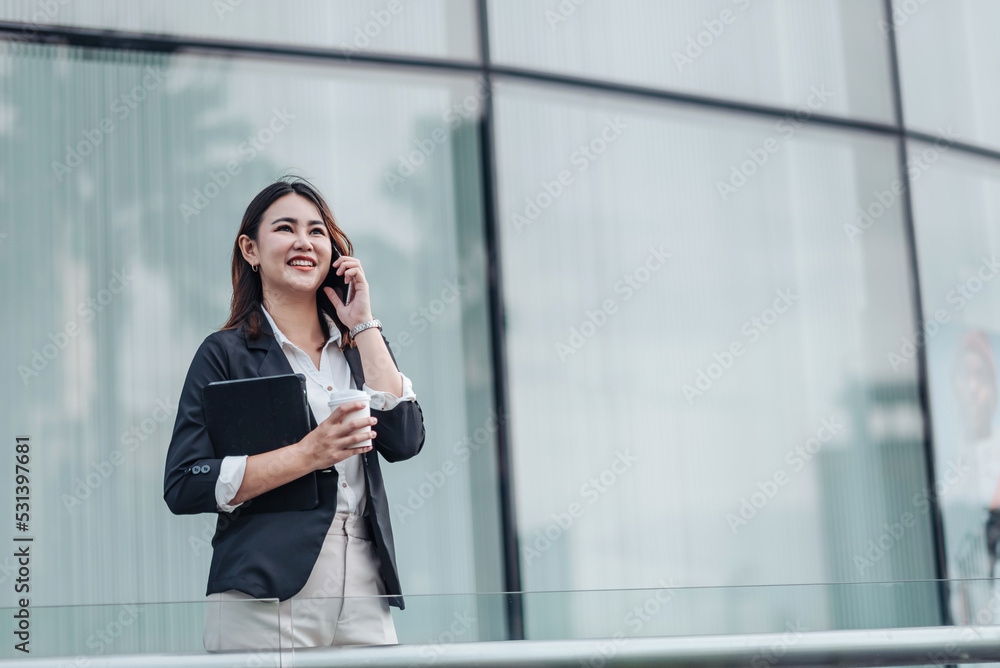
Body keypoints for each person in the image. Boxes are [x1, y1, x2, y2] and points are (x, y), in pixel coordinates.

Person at [163, 176, 425, 650]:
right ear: (251, 249)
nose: (304, 242)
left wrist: (363, 322)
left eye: (317, 231)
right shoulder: (224, 355)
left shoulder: (360, 345)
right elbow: (185, 481)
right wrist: (307, 454)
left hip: (366, 588)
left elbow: (405, 441)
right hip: (264, 596)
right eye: (285, 228)